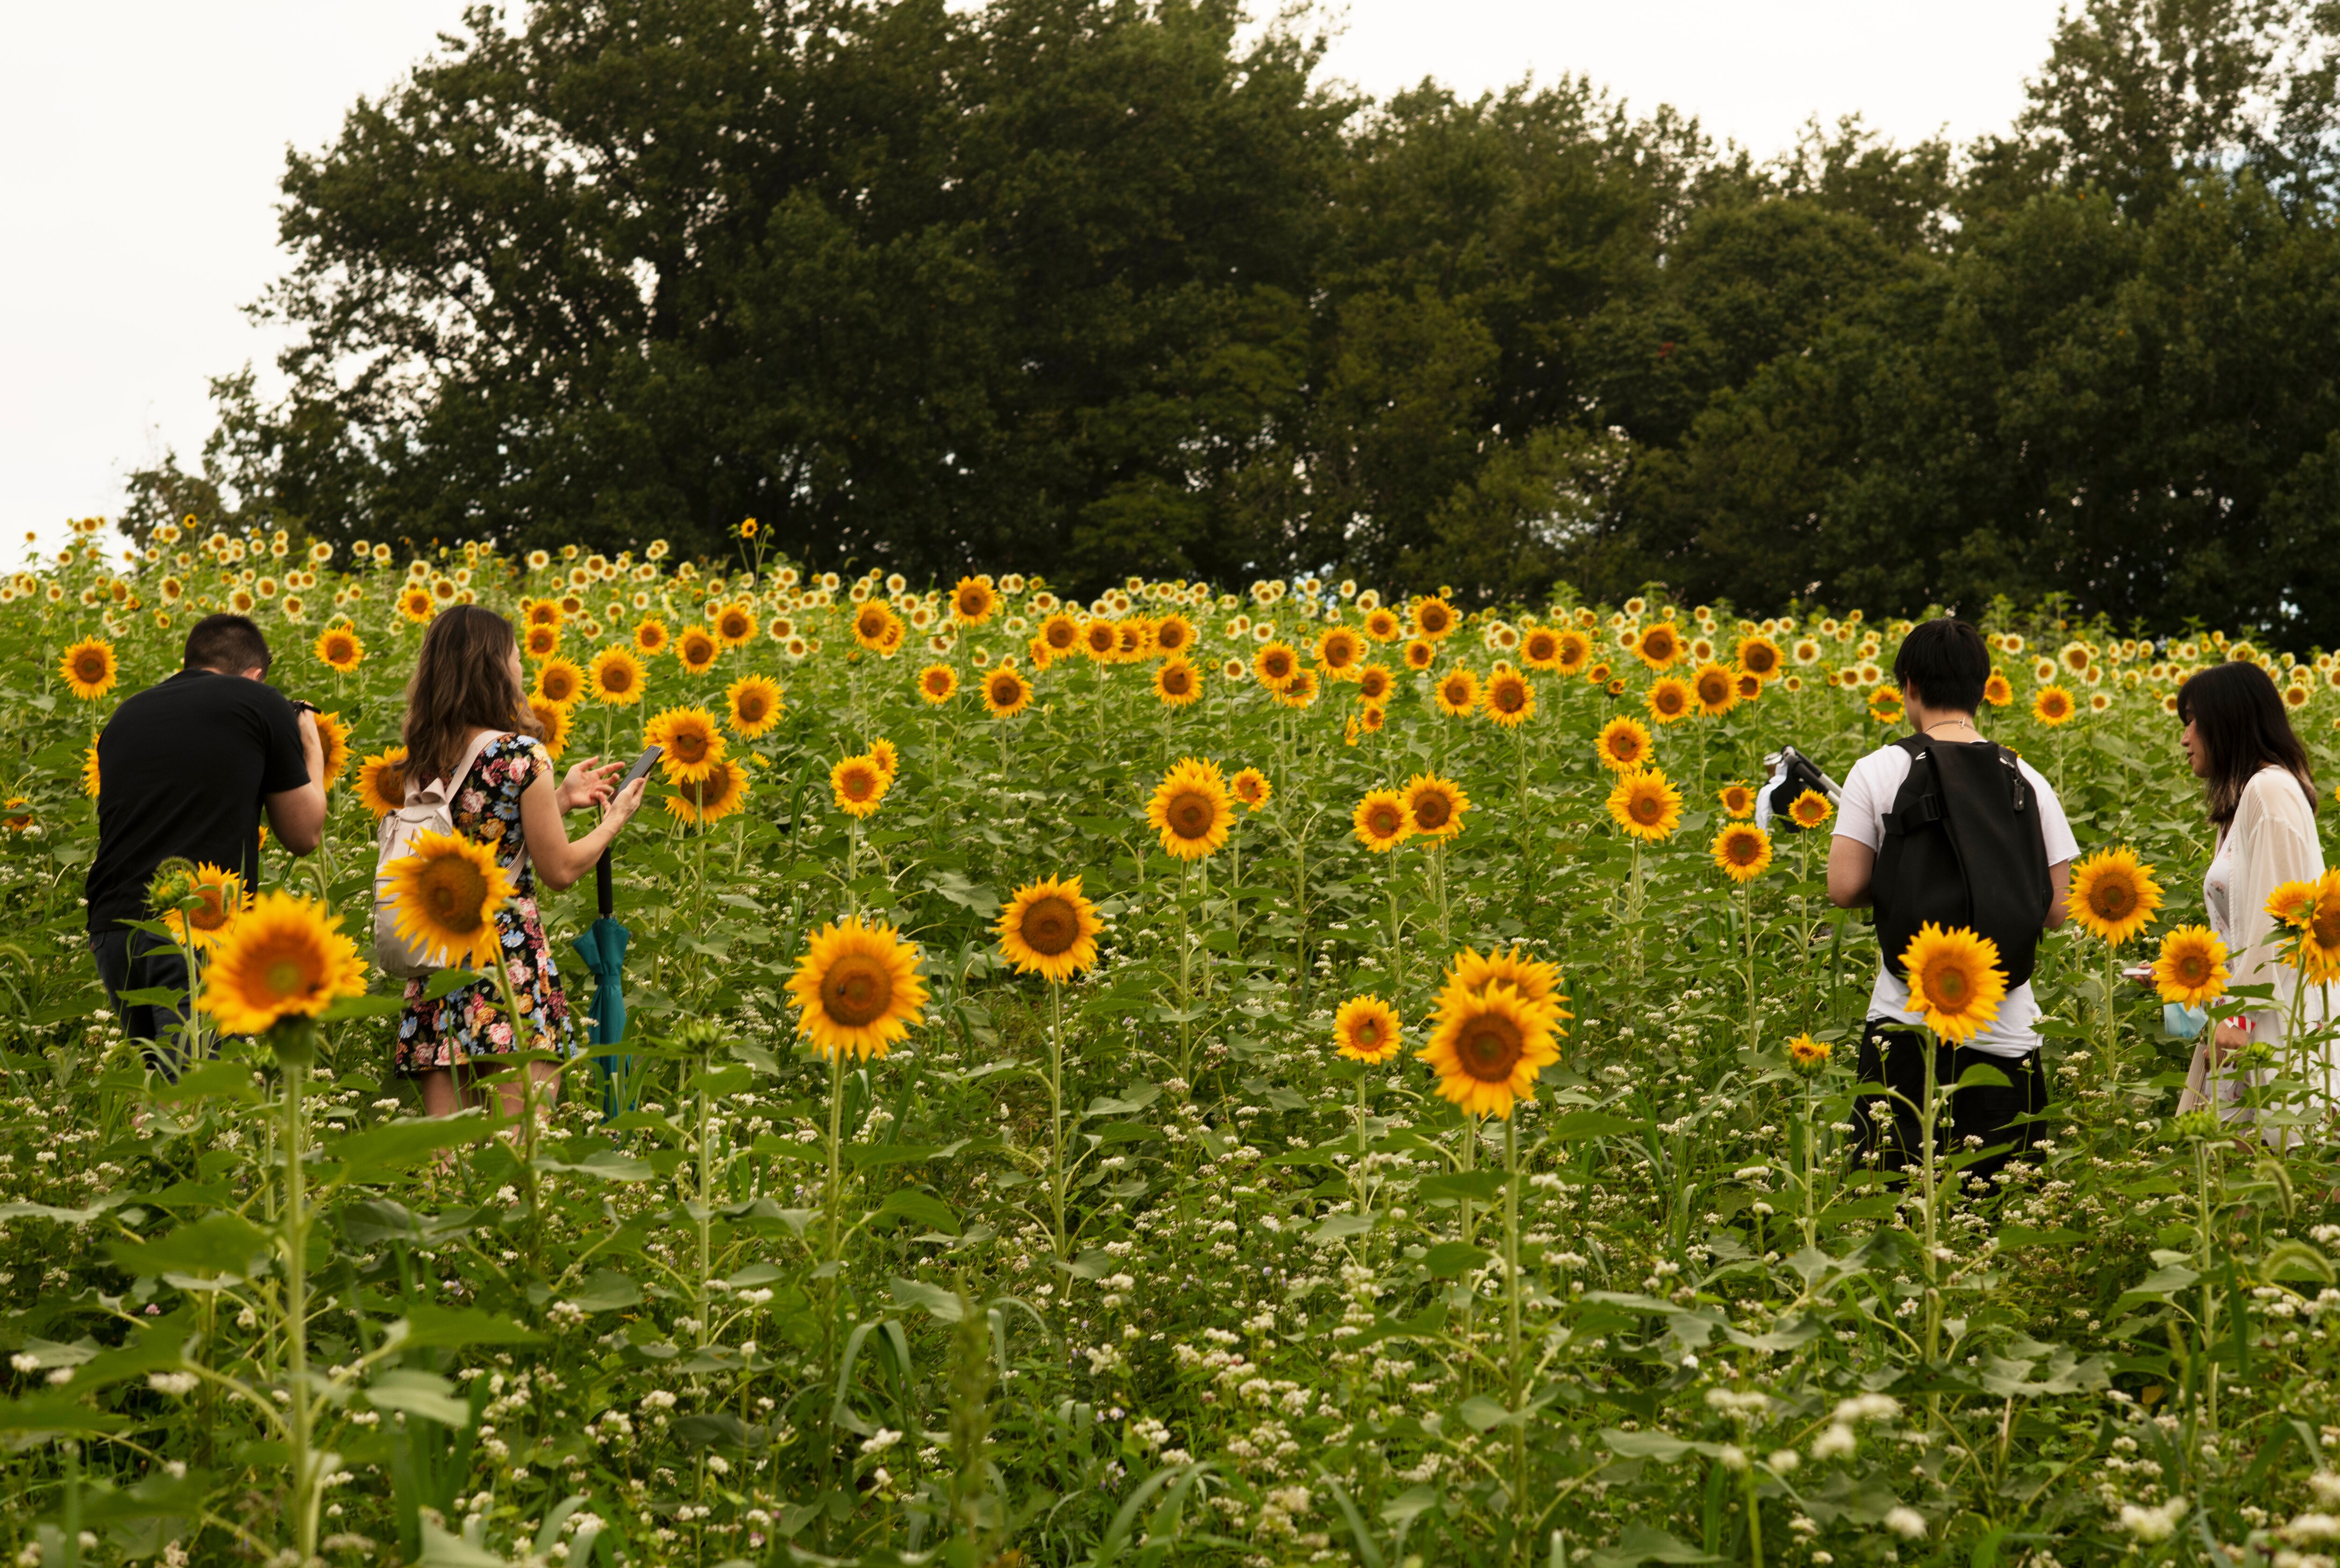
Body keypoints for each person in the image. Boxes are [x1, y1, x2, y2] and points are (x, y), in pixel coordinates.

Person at [1828, 618, 2077, 1192]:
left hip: (1904, 1021)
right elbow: (2056, 908)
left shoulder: (1877, 770)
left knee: (1889, 1208)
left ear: (1908, 686)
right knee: (1997, 1214)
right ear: (1983, 688)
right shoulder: (2026, 779)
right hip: (2004, 1031)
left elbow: (1843, 886)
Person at [394, 605, 647, 1119]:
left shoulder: (420, 760)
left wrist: (559, 800)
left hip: (437, 965)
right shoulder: (522, 756)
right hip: (508, 966)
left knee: (448, 1164)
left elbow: (480, 837)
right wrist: (613, 818)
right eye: (514, 657)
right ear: (492, 667)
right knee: (523, 1148)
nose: (521, 669)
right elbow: (560, 870)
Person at [86, 613, 326, 1069]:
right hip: (196, 927)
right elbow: (303, 834)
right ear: (255, 673)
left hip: (114, 931)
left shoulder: (125, 715)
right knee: (197, 1096)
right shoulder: (259, 701)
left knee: (165, 1087)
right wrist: (311, 749)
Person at [2169, 662, 2323, 1117]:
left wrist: (2238, 1015)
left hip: (2273, 1020)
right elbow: (2237, 926)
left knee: (2280, 1164)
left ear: (2228, 719)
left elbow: (2281, 918)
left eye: (2193, 721)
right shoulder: (2241, 804)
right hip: (2247, 1016)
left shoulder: (2268, 791)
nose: (2184, 738)